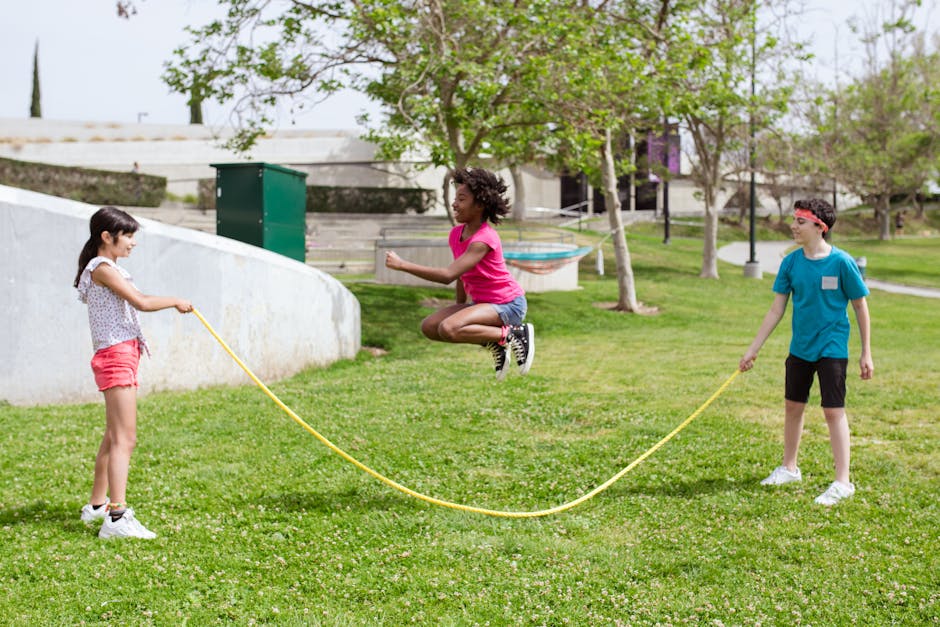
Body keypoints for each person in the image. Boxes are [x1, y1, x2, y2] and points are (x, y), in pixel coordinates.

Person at [739, 198, 872, 506]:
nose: (793, 226)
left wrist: (866, 352)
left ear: (819, 227)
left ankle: (843, 482)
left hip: (832, 346)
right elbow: (776, 310)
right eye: (794, 220)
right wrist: (753, 350)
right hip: (800, 347)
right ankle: (789, 468)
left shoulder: (841, 263)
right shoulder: (791, 263)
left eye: (800, 221)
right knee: (792, 407)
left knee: (832, 411)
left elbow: (860, 306)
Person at [74, 206, 193, 539]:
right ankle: (117, 516)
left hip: (119, 353)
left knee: (114, 436)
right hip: (115, 356)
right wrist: (176, 300)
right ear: (106, 237)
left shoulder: (105, 267)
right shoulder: (102, 267)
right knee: (126, 438)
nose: (133, 243)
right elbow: (140, 302)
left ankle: (97, 507)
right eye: (127, 235)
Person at [384, 167, 534, 380]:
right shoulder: (456, 234)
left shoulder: (484, 239)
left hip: (508, 304)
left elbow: (448, 275)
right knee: (430, 327)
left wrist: (402, 265)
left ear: (480, 205)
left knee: (449, 328)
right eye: (456, 198)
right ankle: (496, 341)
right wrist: (460, 306)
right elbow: (463, 275)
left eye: (461, 199)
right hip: (484, 304)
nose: (455, 203)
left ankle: (514, 334)